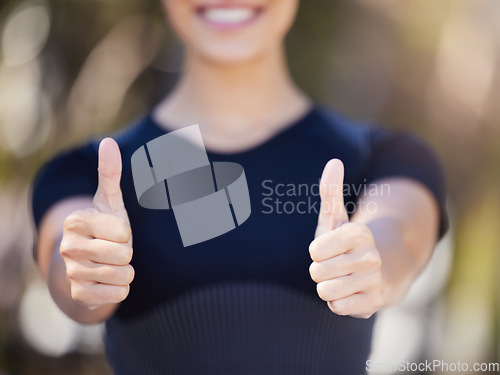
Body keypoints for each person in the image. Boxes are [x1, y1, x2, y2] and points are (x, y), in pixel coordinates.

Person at [31, 0, 447, 374]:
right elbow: (65, 265)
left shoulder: (381, 157)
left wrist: (373, 262)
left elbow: (399, 233)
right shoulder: (91, 172)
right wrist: (86, 271)